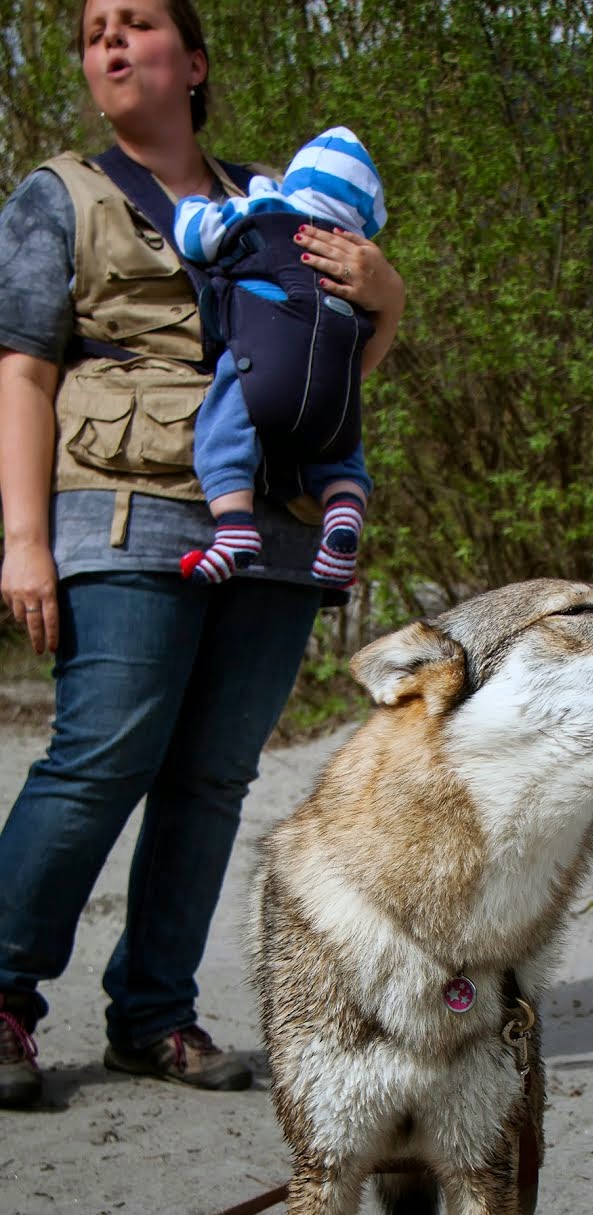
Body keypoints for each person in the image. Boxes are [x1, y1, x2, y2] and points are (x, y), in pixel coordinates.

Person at [0, 0, 406, 1110]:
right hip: (121, 511)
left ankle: (155, 1014)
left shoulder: (274, 202)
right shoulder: (58, 195)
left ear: (195, 63)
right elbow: (24, 369)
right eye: (94, 33)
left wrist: (387, 303)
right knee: (98, 761)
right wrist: (23, 542)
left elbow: (328, 370)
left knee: (213, 779)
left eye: (136, 23)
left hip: (268, 530)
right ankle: (2, 994)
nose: (112, 43)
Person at [174, 125, 387, 590]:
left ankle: (233, 528)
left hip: (265, 360)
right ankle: (345, 511)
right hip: (332, 376)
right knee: (342, 442)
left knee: (224, 423)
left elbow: (197, 236)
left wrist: (190, 206)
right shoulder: (356, 253)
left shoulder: (265, 210)